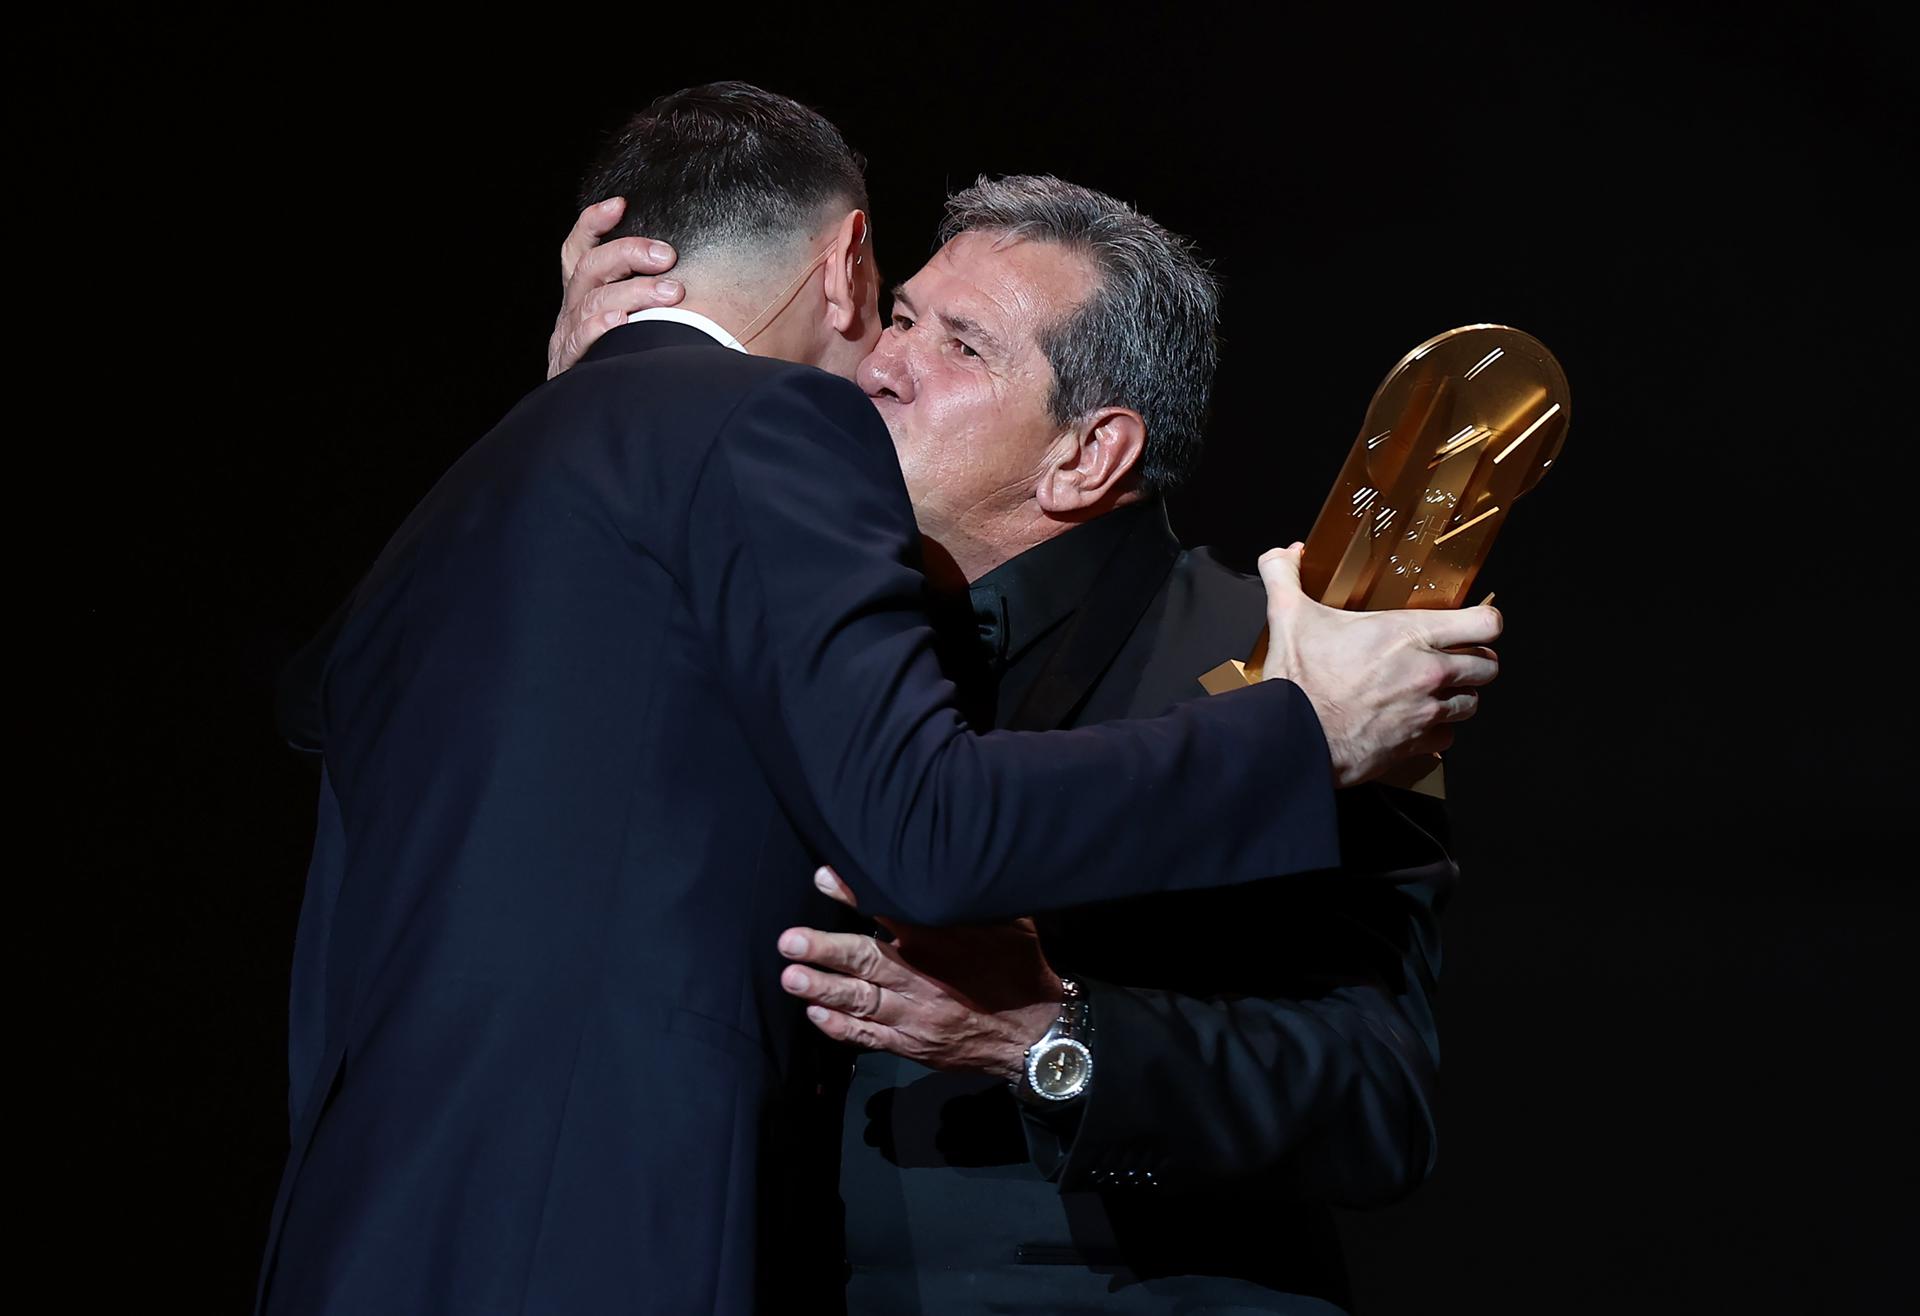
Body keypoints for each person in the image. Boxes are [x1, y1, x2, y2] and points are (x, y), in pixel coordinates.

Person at [262, 87, 1497, 1316]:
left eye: (962, 345)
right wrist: (604, 416)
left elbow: (1377, 1104)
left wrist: (1052, 1038)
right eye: (899, 312)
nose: (883, 362)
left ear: (1090, 452)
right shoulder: (749, 600)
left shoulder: (1287, 663)